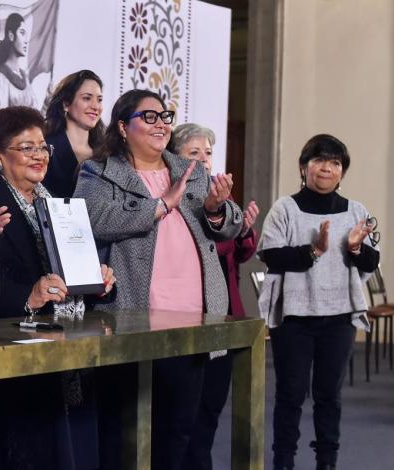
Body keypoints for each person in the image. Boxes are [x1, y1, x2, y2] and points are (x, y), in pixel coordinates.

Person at [74, 89, 242, 470]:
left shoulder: (191, 171)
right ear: (122, 126)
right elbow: (92, 220)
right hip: (132, 317)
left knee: (178, 429)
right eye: (148, 117)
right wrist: (160, 205)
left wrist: (216, 209)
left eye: (164, 116)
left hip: (193, 318)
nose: (161, 123)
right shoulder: (98, 172)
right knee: (122, 429)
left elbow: (229, 225)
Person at [0, 105, 116, 470]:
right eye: (26, 147)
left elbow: (66, 272)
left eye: (43, 147)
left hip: (62, 352)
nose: (39, 155)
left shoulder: (55, 200)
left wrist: (95, 279)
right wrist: (26, 296)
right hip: (7, 357)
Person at [257, 134, 378, 470]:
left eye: (335, 162)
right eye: (320, 160)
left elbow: (370, 263)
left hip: (338, 318)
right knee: (290, 395)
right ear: (303, 166)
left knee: (329, 396)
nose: (327, 167)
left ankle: (327, 460)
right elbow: (271, 255)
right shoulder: (285, 208)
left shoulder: (356, 211)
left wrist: (354, 247)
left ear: (342, 172)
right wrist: (314, 250)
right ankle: (284, 461)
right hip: (294, 318)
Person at [172, 123, 259, 470]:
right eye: (194, 153)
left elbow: (240, 253)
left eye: (207, 153)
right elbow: (208, 246)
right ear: (174, 158)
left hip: (223, 316)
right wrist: (223, 222)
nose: (204, 160)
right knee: (182, 417)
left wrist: (245, 229)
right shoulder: (173, 198)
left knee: (210, 410)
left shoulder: (220, 194)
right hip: (188, 316)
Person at [42, 69, 106, 197]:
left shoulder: (107, 153)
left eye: (99, 100)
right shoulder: (45, 147)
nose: (95, 106)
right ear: (66, 104)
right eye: (87, 98)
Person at [0, 13, 37, 123]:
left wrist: (47, 101)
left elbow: (36, 118)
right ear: (11, 35)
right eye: (22, 33)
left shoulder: (24, 77)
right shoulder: (1, 77)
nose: (26, 40)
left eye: (26, 34)